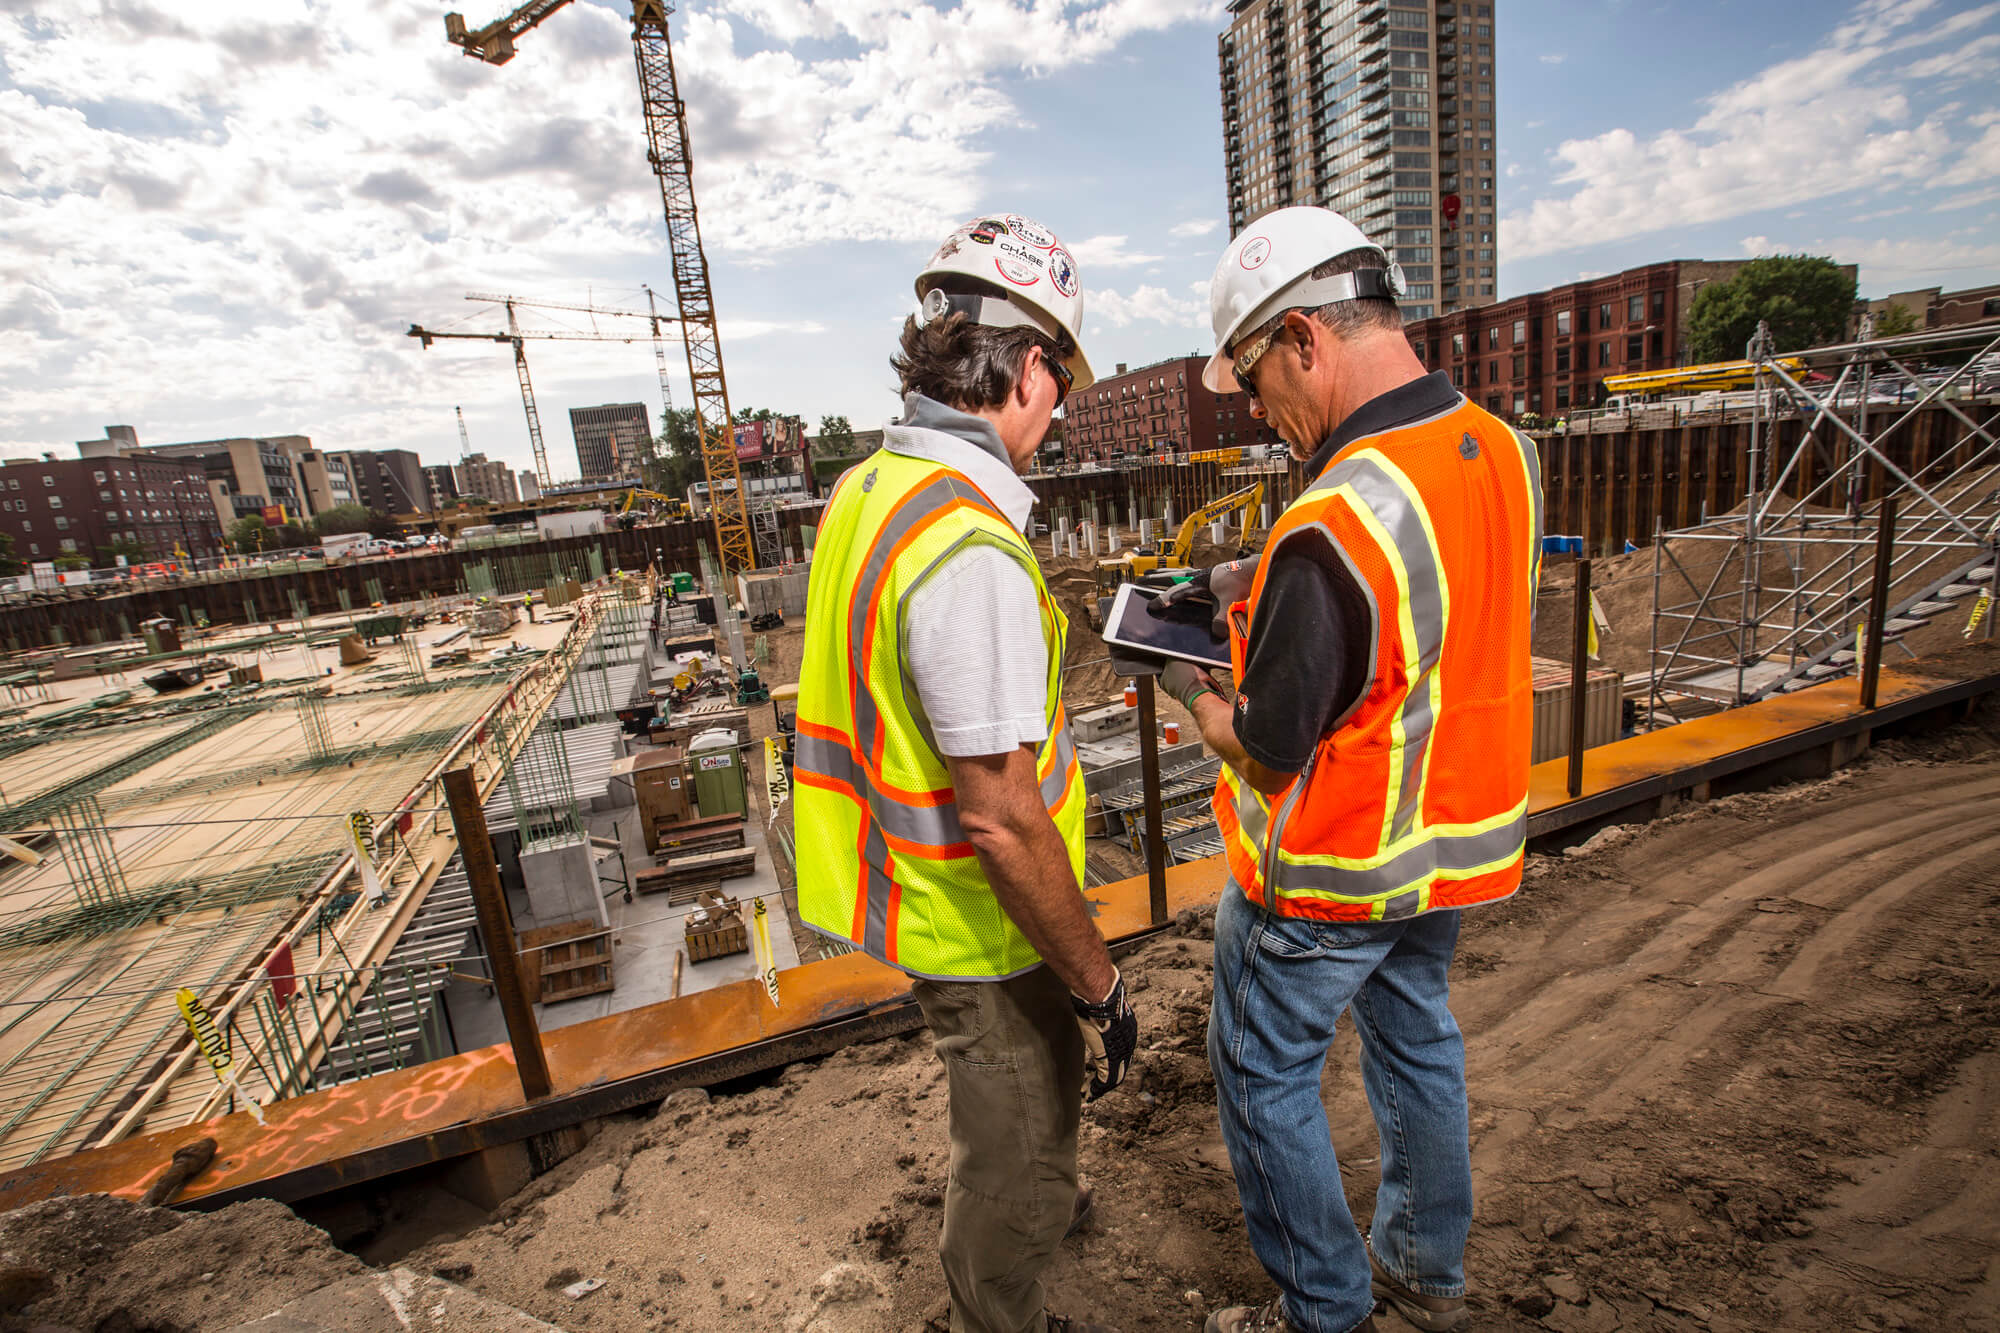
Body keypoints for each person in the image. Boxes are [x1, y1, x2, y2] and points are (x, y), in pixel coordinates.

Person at [1157, 206, 1543, 1333]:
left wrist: (1180, 683)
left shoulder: (1334, 517)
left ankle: (1323, 1313)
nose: (1262, 415)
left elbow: (1267, 750)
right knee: (1413, 1033)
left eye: (1254, 381)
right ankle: (1421, 1269)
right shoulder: (1495, 449)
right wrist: (1256, 579)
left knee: (1261, 1075)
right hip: (1449, 844)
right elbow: (1426, 620)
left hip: (1332, 869)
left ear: (1303, 342)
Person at [793, 213, 1138, 1333]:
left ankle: (1031, 1212)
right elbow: (1000, 817)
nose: (1057, 412)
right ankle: (1000, 1301)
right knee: (1020, 1132)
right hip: (979, 926)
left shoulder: (868, 489)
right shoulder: (968, 547)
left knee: (1013, 1121)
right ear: (1030, 369)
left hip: (911, 891)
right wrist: (1097, 980)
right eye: (1062, 384)